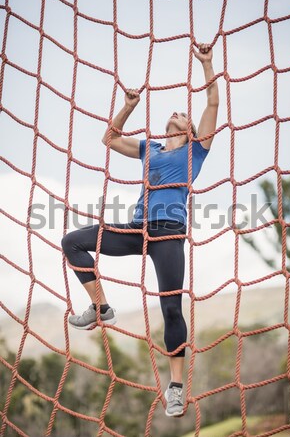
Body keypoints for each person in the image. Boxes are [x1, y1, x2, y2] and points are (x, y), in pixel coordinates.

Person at [61, 43, 219, 417]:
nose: (178, 112)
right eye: (176, 111)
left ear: (190, 129)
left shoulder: (196, 149)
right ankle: (101, 307)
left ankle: (177, 387)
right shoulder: (150, 148)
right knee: (74, 242)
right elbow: (110, 140)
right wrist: (129, 105)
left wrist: (207, 65)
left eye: (183, 113)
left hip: (168, 233)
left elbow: (212, 105)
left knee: (170, 307)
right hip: (137, 228)